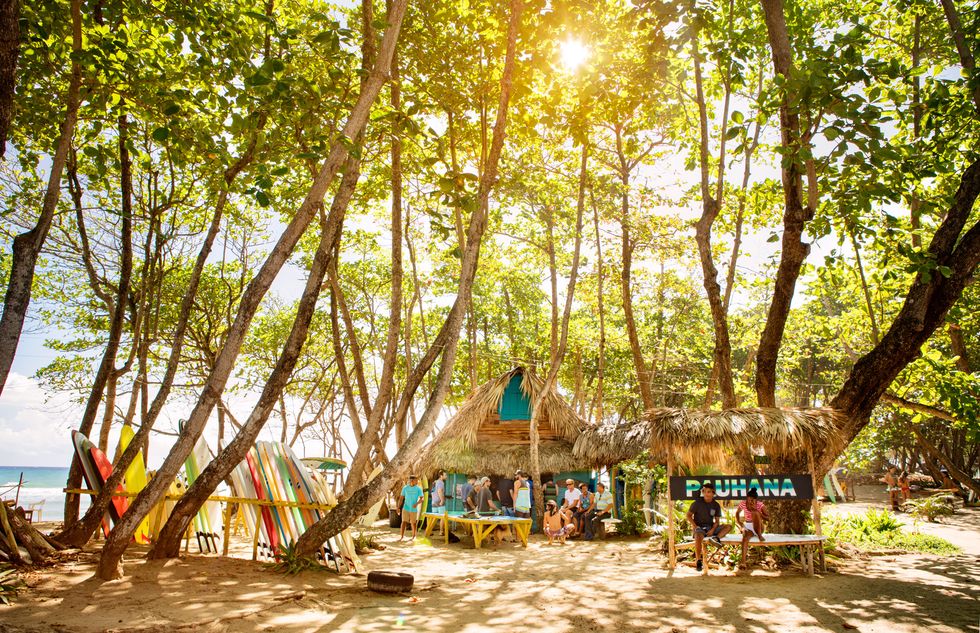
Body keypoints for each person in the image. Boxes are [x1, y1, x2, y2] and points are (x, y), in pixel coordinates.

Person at [686, 483, 731, 572]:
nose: (706, 494)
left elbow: (717, 521)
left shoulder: (716, 505)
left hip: (710, 527)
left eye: (709, 492)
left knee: (728, 526)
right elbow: (688, 515)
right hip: (699, 528)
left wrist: (713, 530)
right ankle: (698, 560)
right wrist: (695, 526)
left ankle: (716, 538)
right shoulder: (697, 503)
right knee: (698, 535)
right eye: (704, 491)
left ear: (713, 493)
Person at [735, 488, 769, 567]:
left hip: (759, 527)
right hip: (748, 525)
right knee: (745, 538)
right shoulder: (743, 503)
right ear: (747, 498)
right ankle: (743, 562)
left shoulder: (760, 505)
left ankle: (759, 535)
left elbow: (768, 518)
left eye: (752, 500)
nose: (750, 502)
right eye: (749, 500)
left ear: (755, 500)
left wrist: (759, 513)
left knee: (755, 512)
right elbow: (737, 513)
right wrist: (741, 524)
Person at [398, 475, 424, 541]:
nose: (417, 481)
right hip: (405, 508)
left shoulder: (418, 488)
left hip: (413, 509)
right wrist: (398, 507)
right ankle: (401, 536)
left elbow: (422, 499)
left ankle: (414, 536)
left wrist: (417, 504)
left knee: (413, 523)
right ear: (412, 480)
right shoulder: (405, 488)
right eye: (416, 480)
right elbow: (401, 498)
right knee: (403, 522)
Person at [431, 470, 448, 536]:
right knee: (442, 517)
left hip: (434, 501)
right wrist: (442, 500)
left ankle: (429, 530)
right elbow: (440, 491)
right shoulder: (441, 482)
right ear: (441, 476)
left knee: (434, 517)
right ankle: (441, 531)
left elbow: (432, 492)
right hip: (439, 501)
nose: (446, 476)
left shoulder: (434, 482)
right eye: (445, 475)